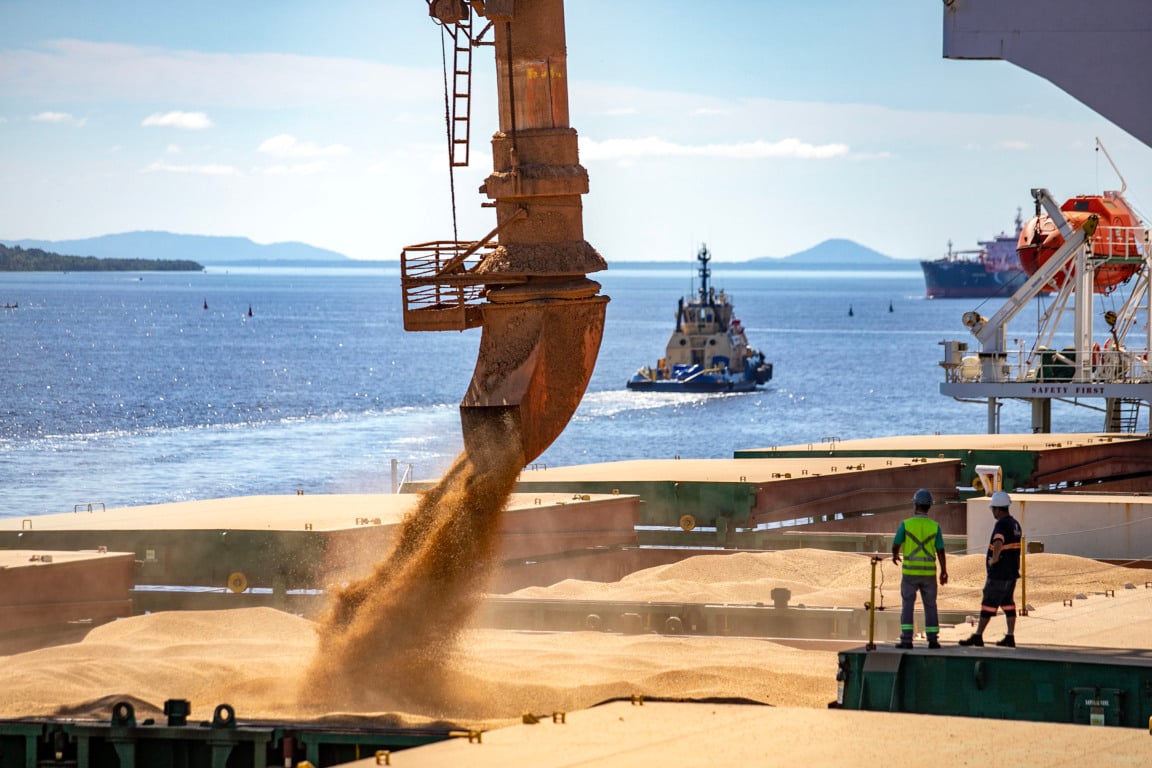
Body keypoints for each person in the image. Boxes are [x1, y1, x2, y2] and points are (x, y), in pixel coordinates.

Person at [959, 490, 1023, 648]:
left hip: (999, 574)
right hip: (1012, 572)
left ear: (998, 508)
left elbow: (998, 542)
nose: (992, 512)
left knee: (988, 603)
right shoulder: (1015, 524)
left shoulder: (1001, 524)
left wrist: (994, 560)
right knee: (1008, 603)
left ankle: (978, 635)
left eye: (993, 508)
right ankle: (1010, 636)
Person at [891, 488, 948, 649]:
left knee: (907, 605)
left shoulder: (906, 524)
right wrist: (944, 571)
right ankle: (932, 640)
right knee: (930, 605)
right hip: (929, 573)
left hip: (909, 573)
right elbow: (941, 551)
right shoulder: (935, 527)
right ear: (929, 506)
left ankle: (906, 640)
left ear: (915, 505)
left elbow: (896, 544)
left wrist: (895, 555)